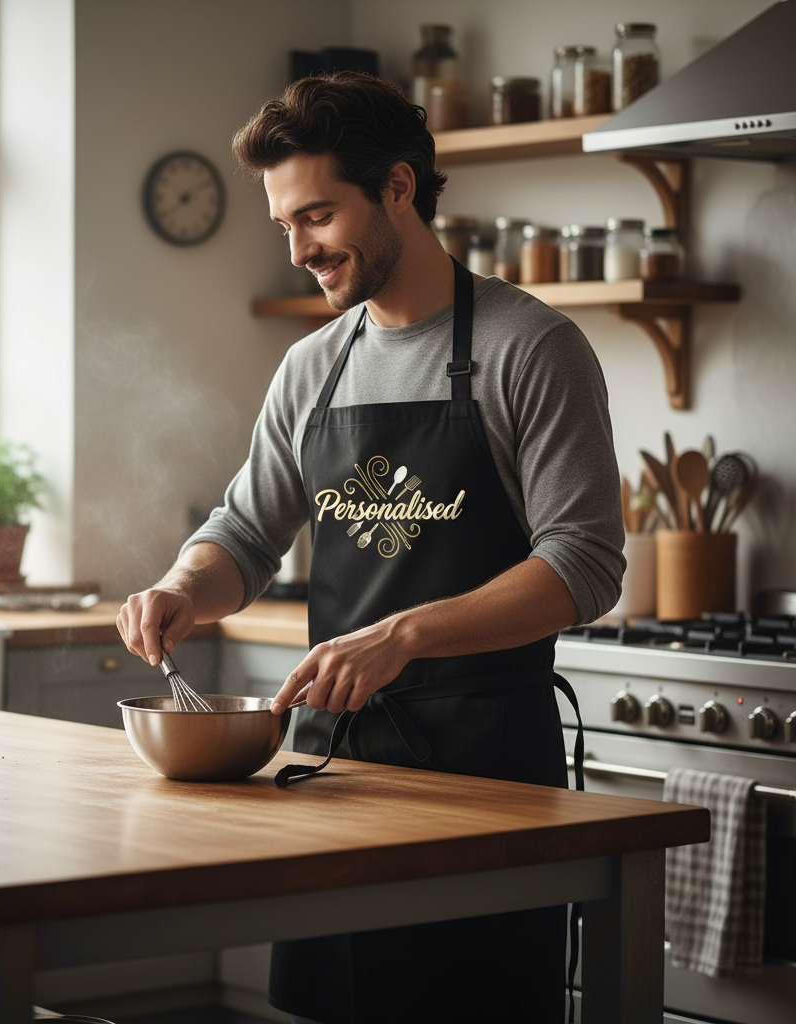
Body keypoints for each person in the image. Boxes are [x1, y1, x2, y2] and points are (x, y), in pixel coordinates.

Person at [117, 71, 625, 1024]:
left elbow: (584, 565)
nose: (301, 250)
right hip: (333, 778)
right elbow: (244, 532)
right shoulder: (313, 364)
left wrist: (401, 636)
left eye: (317, 217)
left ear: (398, 188)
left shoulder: (533, 349)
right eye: (285, 226)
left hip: (488, 787)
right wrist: (184, 585)